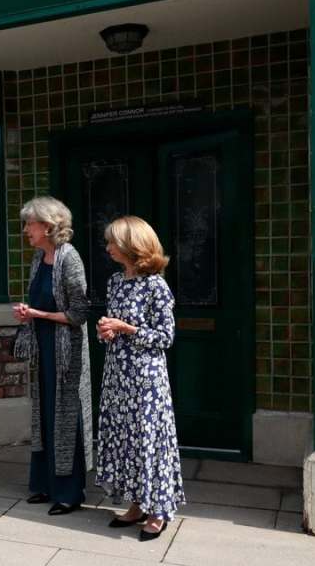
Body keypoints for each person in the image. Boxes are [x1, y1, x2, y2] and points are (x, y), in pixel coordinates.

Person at [95, 215, 185, 541]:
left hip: (146, 378)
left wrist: (126, 329)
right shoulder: (116, 282)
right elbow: (117, 325)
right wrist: (106, 329)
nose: (107, 248)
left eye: (112, 242)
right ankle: (136, 505)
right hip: (118, 373)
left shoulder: (156, 285)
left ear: (131, 246)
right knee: (127, 440)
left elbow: (165, 337)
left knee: (148, 441)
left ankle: (159, 510)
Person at [12, 197, 92, 517]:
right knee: (44, 414)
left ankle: (69, 493)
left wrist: (38, 313)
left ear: (46, 226)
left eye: (29, 224)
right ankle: (44, 484)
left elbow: (79, 313)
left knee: (65, 417)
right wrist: (28, 314)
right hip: (43, 346)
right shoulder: (39, 257)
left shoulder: (69, 258)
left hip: (65, 353)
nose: (26, 230)